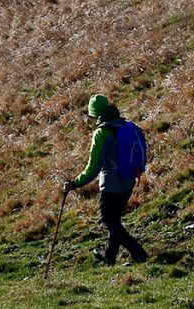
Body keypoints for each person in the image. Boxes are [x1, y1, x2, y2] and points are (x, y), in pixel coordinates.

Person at [63, 94, 148, 265]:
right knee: (114, 220)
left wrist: (75, 183)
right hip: (129, 180)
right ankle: (109, 256)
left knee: (108, 220)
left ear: (95, 115)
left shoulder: (102, 133)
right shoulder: (125, 125)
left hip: (112, 185)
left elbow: (93, 168)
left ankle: (138, 253)